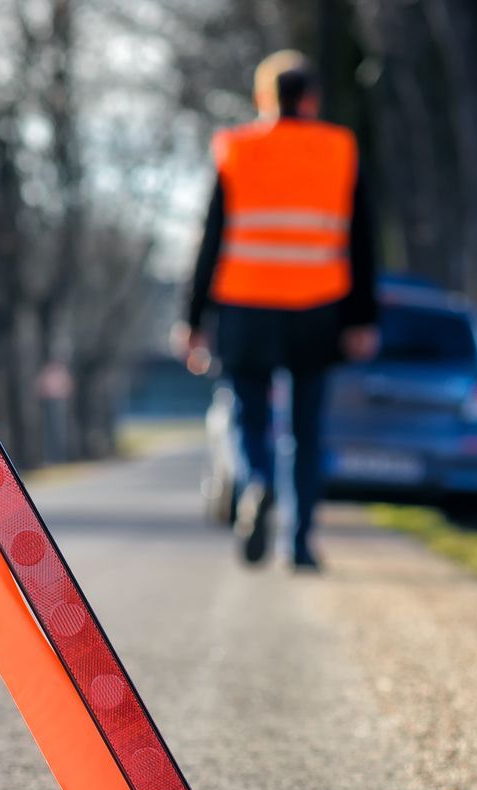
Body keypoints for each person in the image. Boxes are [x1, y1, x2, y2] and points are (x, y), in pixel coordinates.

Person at [176, 50, 379, 572]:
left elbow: (210, 238)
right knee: (306, 430)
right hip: (318, 309)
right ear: (310, 99)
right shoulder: (339, 150)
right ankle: (301, 543)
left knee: (248, 413)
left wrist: (193, 318)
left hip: (244, 308)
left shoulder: (236, 150)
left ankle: (258, 483)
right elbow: (362, 240)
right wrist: (362, 318)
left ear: (263, 99)